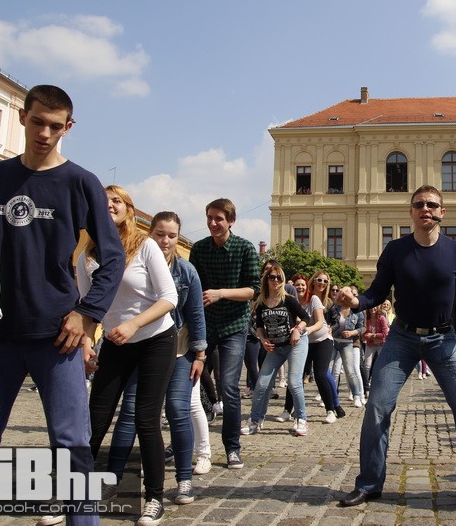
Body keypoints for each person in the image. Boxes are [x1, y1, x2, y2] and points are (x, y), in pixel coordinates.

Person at [0, 86, 125, 526]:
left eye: (55, 126)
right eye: (37, 122)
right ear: (22, 117)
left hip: (59, 336)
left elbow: (113, 256)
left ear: (68, 127)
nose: (45, 133)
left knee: (72, 446)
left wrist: (87, 314)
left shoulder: (80, 181)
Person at [336, 185, 456, 508]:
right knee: (377, 406)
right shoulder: (395, 250)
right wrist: (356, 301)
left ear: (442, 212)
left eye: (432, 205)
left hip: (443, 341)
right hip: (401, 339)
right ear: (411, 212)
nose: (425, 209)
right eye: (419, 204)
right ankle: (369, 484)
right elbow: (376, 291)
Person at [82, 187, 178, 526]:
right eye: (103, 201)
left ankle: (154, 497)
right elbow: (87, 306)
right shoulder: (89, 254)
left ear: (129, 209)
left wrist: (133, 324)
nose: (109, 205)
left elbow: (169, 298)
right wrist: (85, 342)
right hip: (115, 342)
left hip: (155, 339)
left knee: (145, 418)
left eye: (116, 201)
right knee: (94, 419)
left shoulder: (145, 245)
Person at [105, 211, 209, 506]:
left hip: (178, 350)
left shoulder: (186, 271)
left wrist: (199, 353)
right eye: (159, 234)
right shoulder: (132, 261)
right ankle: (111, 479)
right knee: (129, 412)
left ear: (178, 238)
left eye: (171, 236)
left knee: (177, 408)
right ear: (149, 234)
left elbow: (195, 315)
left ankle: (184, 480)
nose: (165, 241)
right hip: (143, 348)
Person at [189, 198, 261, 470]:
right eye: (209, 217)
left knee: (229, 387)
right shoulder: (199, 248)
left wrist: (220, 293)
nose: (212, 223)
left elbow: (252, 290)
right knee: (187, 384)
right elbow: (193, 286)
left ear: (230, 221)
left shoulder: (244, 248)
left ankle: (232, 447)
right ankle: (189, 443)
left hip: (233, 325)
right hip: (204, 324)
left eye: (218, 218)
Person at [241, 263, 310, 436]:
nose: (276, 281)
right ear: (266, 280)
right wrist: (263, 340)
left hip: (295, 344)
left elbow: (306, 318)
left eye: (279, 277)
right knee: (262, 385)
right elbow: (258, 326)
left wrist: (297, 330)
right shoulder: (262, 302)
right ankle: (255, 420)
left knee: (294, 383)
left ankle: (301, 419)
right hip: (275, 348)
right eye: (272, 277)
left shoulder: (288, 300)